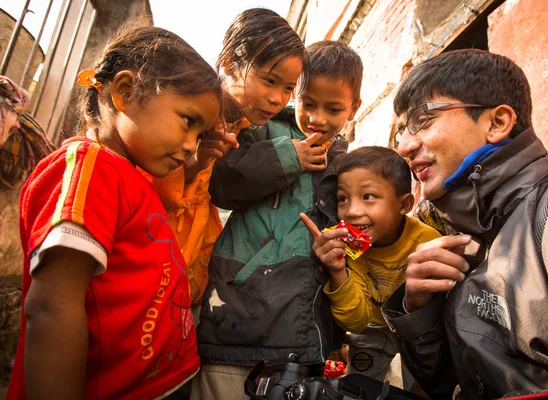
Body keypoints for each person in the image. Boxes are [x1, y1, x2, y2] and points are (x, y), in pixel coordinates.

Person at [6, 26, 237, 400]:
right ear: (126, 92)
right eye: (188, 121)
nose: (191, 145)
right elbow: (51, 309)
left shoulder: (132, 179)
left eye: (200, 134)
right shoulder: (88, 168)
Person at [382, 49, 548, 399]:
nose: (405, 145)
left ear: (497, 123)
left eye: (423, 119)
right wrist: (418, 311)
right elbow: (446, 385)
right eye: (401, 132)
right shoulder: (461, 236)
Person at [194, 40, 364, 399]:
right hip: (237, 326)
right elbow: (220, 183)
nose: (318, 119)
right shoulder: (261, 132)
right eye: (307, 104)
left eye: (333, 109)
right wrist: (289, 157)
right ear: (294, 95)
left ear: (354, 108)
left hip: (304, 343)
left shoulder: (348, 165)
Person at [149, 8, 309, 308]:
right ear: (230, 66)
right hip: (154, 254)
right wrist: (196, 161)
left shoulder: (247, 125)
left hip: (191, 265)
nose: (278, 99)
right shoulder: (189, 112)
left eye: (288, 88)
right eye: (269, 81)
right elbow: (151, 187)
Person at [301, 146, 440, 381]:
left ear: (405, 205)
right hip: (370, 333)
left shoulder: (428, 243)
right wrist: (337, 271)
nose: (352, 211)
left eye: (368, 196)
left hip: (420, 331)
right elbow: (356, 322)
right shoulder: (347, 249)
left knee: (425, 385)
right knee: (360, 388)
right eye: (343, 199)